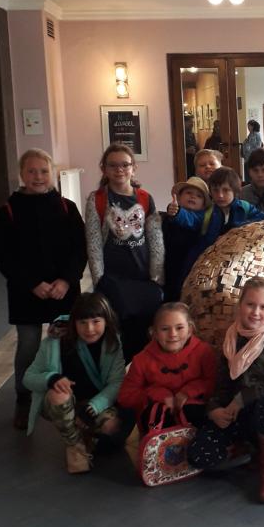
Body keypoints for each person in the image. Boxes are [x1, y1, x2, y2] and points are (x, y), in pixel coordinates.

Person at [0, 148, 86, 430]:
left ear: (52, 173)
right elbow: (3, 255)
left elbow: (79, 249)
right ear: (21, 174)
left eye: (44, 171)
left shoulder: (67, 207)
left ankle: (70, 395)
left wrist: (66, 280)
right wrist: (31, 283)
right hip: (26, 292)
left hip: (63, 289)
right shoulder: (8, 211)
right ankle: (24, 398)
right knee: (29, 345)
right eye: (31, 171)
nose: (38, 176)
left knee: (68, 343)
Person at [187, 276, 264, 502]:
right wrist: (214, 410)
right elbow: (222, 385)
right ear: (240, 305)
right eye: (250, 304)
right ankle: (247, 448)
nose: (256, 312)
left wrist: (243, 398)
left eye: (263, 307)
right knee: (199, 455)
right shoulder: (232, 338)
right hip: (237, 414)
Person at [23, 293, 133, 473]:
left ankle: (85, 433)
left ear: (107, 321)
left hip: (95, 401)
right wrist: (51, 379)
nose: (89, 329)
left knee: (111, 428)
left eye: (96, 321)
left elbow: (117, 382)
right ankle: (74, 445)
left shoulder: (113, 343)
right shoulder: (55, 342)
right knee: (58, 395)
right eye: (82, 322)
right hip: (65, 402)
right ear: (74, 322)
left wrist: (92, 408)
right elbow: (28, 377)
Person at [85, 143, 164, 362]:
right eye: (113, 165)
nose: (119, 170)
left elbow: (156, 239)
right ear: (104, 169)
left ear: (133, 168)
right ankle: (122, 377)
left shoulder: (145, 198)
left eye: (125, 165)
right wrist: (99, 279)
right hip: (113, 280)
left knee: (144, 333)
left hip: (143, 278)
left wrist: (157, 278)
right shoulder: (97, 199)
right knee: (120, 335)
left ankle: (141, 375)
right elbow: (93, 242)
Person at [118, 302, 217, 435]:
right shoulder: (141, 360)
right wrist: (155, 394)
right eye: (165, 329)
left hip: (194, 422)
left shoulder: (204, 352)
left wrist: (188, 392)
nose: (173, 334)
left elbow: (213, 384)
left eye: (179, 328)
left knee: (195, 409)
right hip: (157, 429)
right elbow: (125, 396)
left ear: (190, 330)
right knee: (156, 411)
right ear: (154, 333)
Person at [163, 177, 212, 300]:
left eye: (199, 196)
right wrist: (173, 212)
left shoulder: (202, 218)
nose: (193, 197)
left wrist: (178, 212)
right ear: (179, 197)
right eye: (188, 193)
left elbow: (189, 219)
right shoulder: (172, 212)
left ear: (204, 205)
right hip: (169, 264)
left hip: (189, 266)